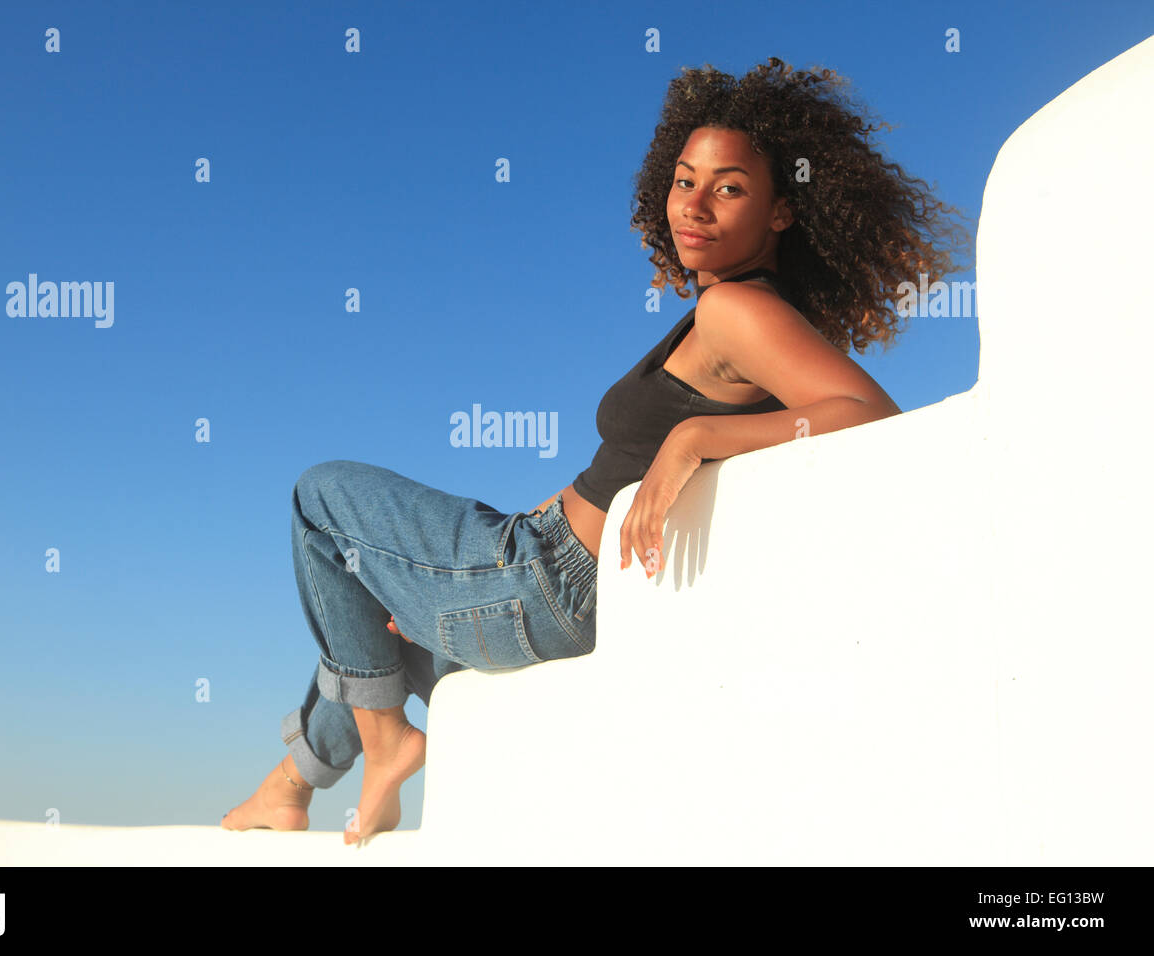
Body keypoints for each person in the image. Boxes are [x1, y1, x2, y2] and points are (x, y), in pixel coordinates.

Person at [221, 57, 972, 844]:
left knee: (320, 500)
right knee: (366, 614)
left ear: (782, 211)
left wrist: (698, 436)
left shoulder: (737, 310)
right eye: (686, 181)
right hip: (549, 568)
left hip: (548, 583)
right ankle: (288, 788)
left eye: (731, 187)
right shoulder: (735, 308)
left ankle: (385, 748)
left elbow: (870, 415)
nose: (697, 206)